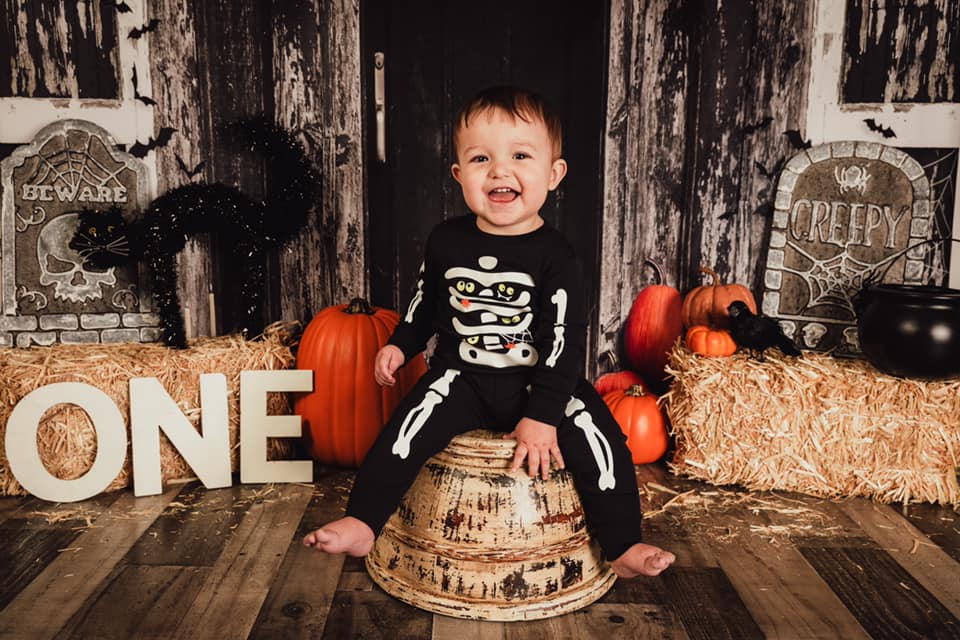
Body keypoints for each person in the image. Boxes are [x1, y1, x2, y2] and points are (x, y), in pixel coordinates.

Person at [304, 86, 675, 578]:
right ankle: (364, 520)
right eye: (481, 158)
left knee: (600, 436)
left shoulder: (558, 257)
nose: (500, 170)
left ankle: (623, 542)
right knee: (404, 430)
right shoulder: (445, 241)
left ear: (553, 174)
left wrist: (543, 416)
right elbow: (424, 303)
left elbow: (563, 343)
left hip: (538, 380)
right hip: (462, 376)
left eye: (520, 155)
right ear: (459, 175)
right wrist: (400, 344)